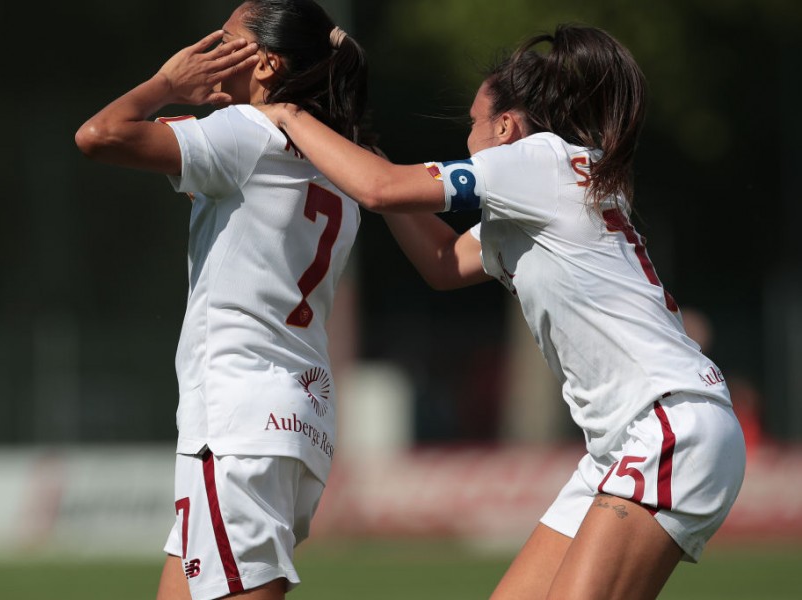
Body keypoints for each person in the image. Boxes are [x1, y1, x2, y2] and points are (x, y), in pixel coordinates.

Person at [258, 23, 746, 600]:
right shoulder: (541, 192)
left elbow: (381, 190)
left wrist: (289, 114)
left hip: (667, 428)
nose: (467, 137)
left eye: (472, 124)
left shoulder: (538, 161)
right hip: (626, 443)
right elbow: (442, 261)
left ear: (507, 126)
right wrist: (367, 149)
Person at [74, 1, 369, 599]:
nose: (207, 50)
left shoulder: (247, 136)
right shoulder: (340, 159)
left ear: (265, 63)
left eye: (226, 39)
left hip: (239, 422)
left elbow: (98, 135)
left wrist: (165, 83)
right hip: (293, 421)